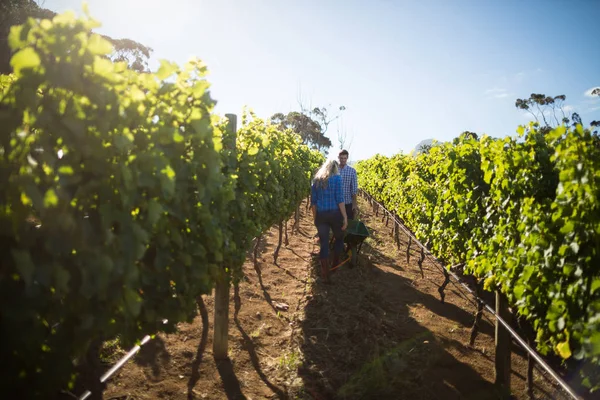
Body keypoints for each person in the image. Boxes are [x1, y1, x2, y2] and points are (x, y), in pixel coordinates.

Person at [311, 159, 348, 283]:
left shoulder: (316, 180)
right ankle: (335, 265)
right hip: (334, 215)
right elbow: (340, 200)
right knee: (339, 238)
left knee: (324, 243)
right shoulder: (337, 179)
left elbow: (314, 203)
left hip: (321, 215)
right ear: (335, 168)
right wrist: (345, 217)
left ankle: (325, 273)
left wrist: (315, 218)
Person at [338, 149, 358, 220]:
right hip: (336, 203)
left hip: (348, 202)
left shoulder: (352, 171)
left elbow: (354, 188)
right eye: (341, 158)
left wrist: (354, 204)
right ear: (338, 158)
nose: (343, 160)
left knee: (348, 224)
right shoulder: (334, 170)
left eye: (345, 158)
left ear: (347, 158)